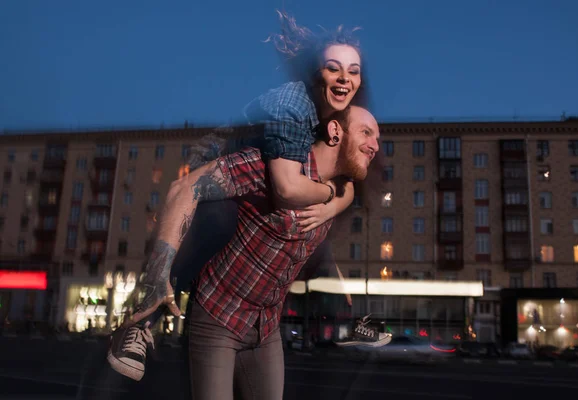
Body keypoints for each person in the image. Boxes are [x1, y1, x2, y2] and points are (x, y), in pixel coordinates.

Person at [107, 12, 387, 382]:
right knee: (218, 225)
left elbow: (345, 183)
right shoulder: (295, 107)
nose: (344, 78)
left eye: (353, 71)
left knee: (309, 237)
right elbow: (286, 188)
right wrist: (324, 194)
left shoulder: (326, 118)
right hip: (221, 156)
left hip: (262, 312)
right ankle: (143, 319)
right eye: (334, 68)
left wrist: (332, 202)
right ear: (317, 73)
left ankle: (345, 321)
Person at [186, 105, 383, 399]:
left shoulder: (341, 186)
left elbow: (348, 191)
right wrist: (160, 273)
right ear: (334, 132)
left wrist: (331, 201)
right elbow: (188, 187)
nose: (375, 146)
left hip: (266, 327)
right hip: (218, 315)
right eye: (366, 133)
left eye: (377, 138)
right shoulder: (278, 163)